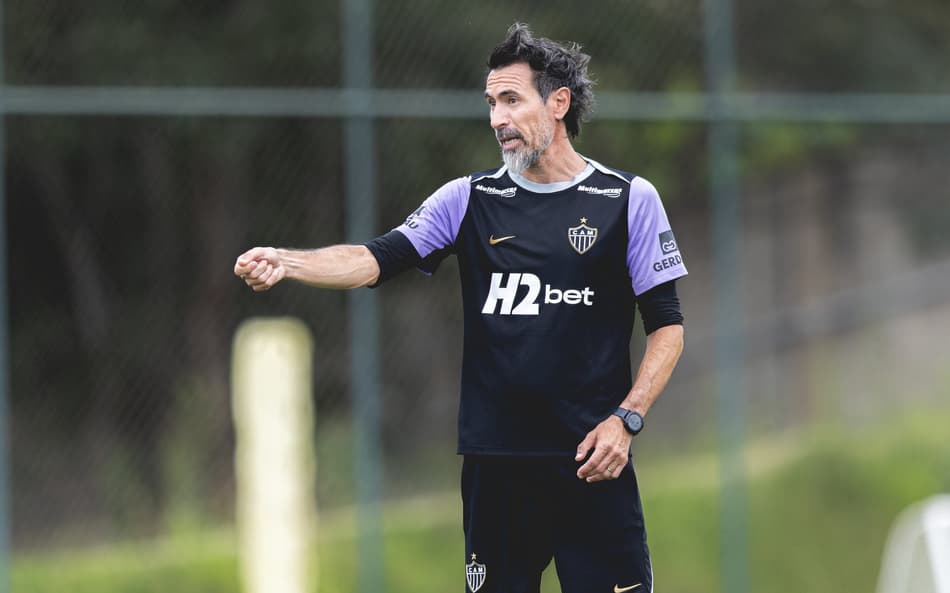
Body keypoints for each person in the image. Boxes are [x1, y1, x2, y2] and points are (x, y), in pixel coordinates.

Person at [234, 23, 686, 593]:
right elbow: (375, 259)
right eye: (491, 102)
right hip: (497, 468)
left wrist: (627, 419)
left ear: (559, 103)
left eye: (511, 100)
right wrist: (289, 261)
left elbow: (668, 327)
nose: (497, 118)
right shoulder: (468, 199)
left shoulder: (628, 200)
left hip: (593, 463)